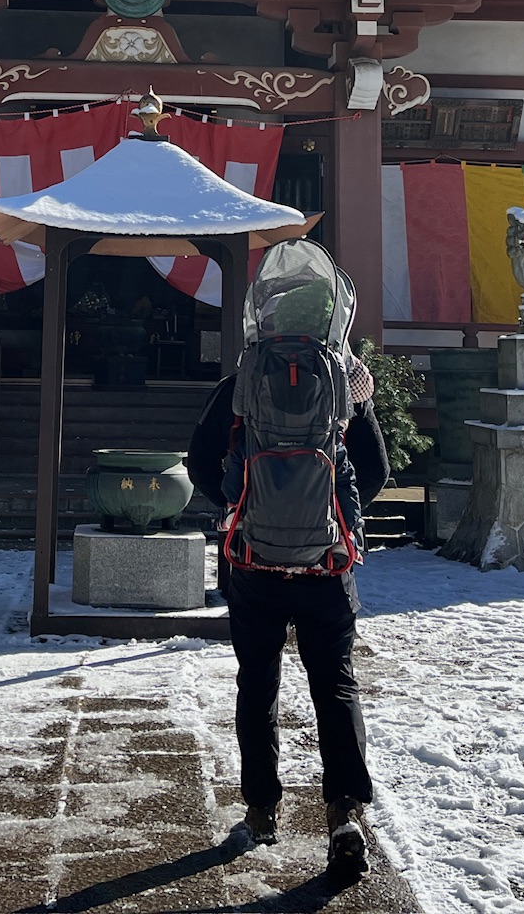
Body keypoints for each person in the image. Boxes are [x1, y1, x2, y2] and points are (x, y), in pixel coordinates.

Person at [186, 246, 389, 887]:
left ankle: (262, 808)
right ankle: (344, 815)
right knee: (335, 685)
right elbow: (377, 471)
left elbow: (197, 463)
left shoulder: (242, 380)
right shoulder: (346, 383)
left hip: (252, 564)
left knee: (257, 686)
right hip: (328, 567)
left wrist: (241, 508)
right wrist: (334, 516)